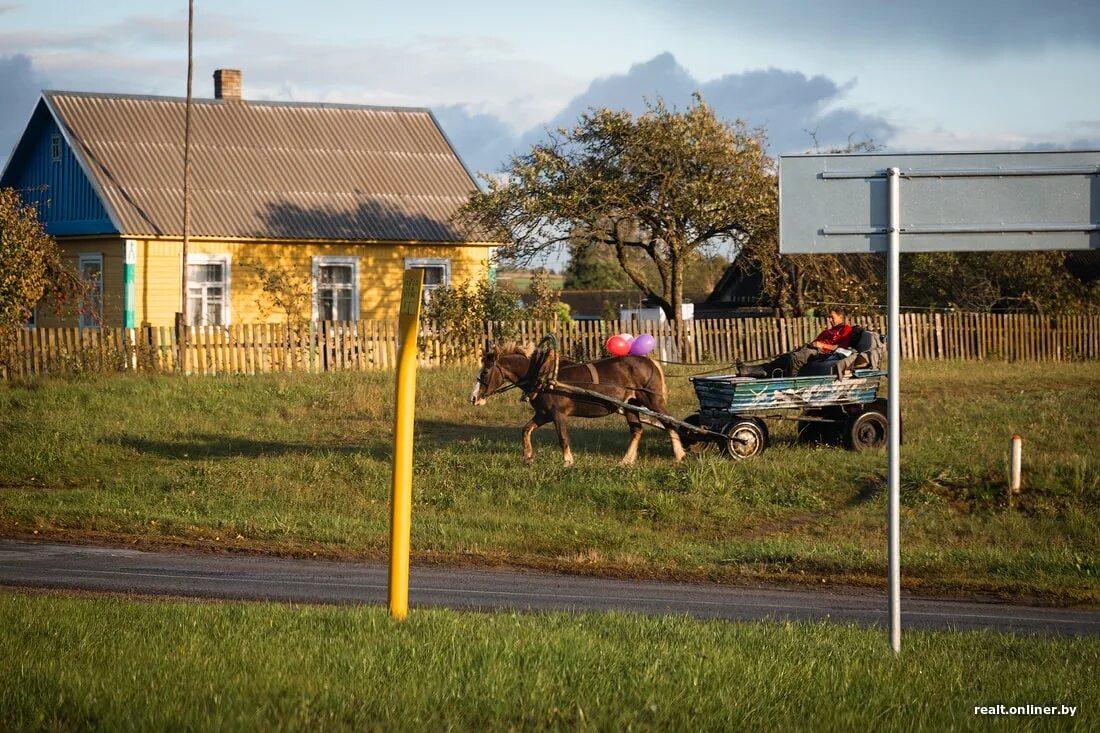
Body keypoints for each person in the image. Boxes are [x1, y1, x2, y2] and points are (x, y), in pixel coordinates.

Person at [739, 307, 855, 378]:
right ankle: (748, 370)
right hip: (812, 350)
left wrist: (822, 345)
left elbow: (843, 348)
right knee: (783, 358)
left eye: (832, 317)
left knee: (794, 357)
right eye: (828, 317)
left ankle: (792, 383)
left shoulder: (846, 329)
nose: (829, 319)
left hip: (823, 354)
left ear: (840, 317)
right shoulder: (828, 330)